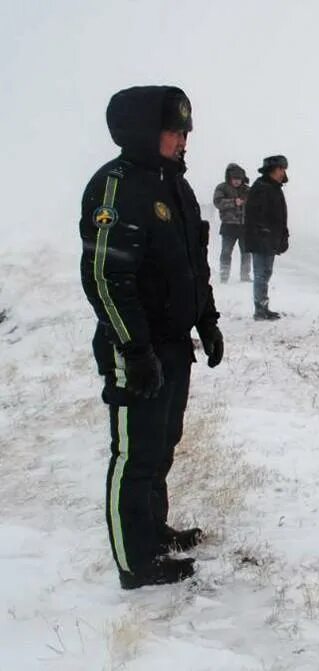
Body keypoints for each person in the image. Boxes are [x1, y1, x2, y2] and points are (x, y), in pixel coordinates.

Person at [79, 85, 223, 589]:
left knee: (162, 446)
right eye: (172, 130)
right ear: (141, 131)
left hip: (174, 343)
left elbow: (192, 263)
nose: (182, 139)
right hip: (134, 347)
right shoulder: (117, 187)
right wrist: (134, 349)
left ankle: (154, 532)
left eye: (185, 130)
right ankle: (135, 563)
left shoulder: (175, 186)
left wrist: (207, 320)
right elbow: (105, 277)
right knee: (134, 454)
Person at [244, 155, 289, 320]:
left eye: (284, 169)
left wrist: (283, 235)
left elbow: (281, 216)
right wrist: (262, 231)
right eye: (280, 169)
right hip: (260, 239)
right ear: (271, 170)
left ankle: (264, 306)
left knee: (266, 272)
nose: (282, 173)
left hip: (271, 239)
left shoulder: (276, 188)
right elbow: (253, 214)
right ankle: (260, 309)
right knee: (261, 273)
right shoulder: (260, 187)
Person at [213, 163, 251, 283]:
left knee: (246, 253)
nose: (236, 181)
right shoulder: (222, 188)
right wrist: (234, 202)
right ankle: (224, 276)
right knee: (226, 252)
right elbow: (217, 202)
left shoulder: (247, 190)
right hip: (228, 226)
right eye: (234, 179)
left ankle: (245, 276)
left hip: (245, 227)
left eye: (239, 179)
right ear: (229, 178)